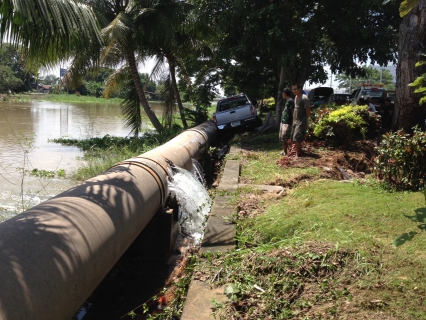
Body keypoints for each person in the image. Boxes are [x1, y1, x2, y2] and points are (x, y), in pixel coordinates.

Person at [291, 83, 310, 158]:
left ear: (300, 89)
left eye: (295, 89)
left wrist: (305, 120)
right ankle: (298, 152)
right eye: (293, 89)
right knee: (295, 138)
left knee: (296, 138)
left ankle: (298, 155)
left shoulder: (304, 98)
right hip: (295, 121)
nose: (294, 91)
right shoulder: (295, 97)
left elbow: (308, 112)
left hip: (301, 122)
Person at [279, 88, 294, 155]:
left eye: (283, 93)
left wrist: (293, 121)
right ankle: (284, 151)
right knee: (283, 137)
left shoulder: (291, 101)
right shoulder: (287, 101)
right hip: (283, 121)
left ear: (285, 93)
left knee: (285, 137)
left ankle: (287, 151)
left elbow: (292, 111)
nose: (282, 94)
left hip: (287, 122)